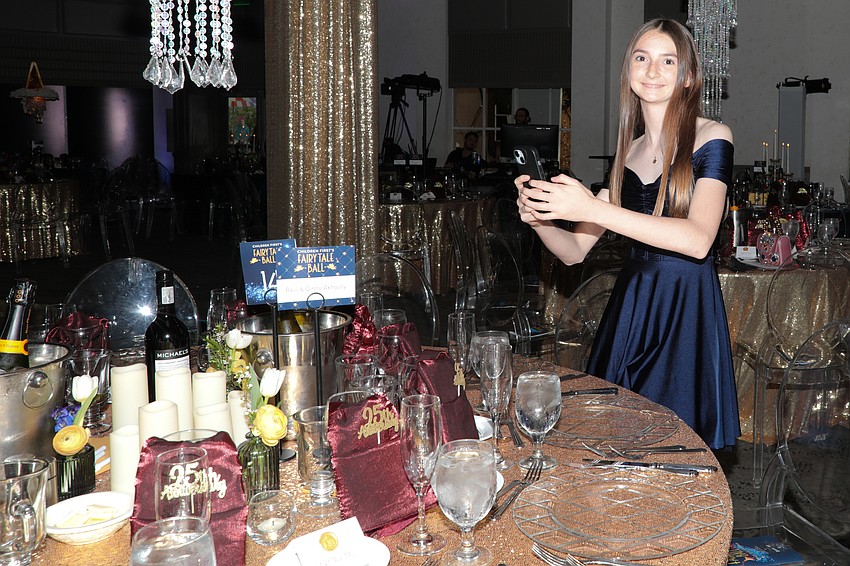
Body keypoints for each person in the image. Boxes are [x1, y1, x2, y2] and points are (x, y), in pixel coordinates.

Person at [515, 18, 739, 449]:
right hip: (633, 307)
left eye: (667, 60)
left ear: (688, 75)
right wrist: (539, 219)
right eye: (642, 58)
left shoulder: (713, 137)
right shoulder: (628, 151)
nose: (652, 71)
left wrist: (593, 207)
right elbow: (575, 251)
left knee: (674, 445)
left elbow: (698, 239)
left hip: (685, 307)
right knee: (623, 440)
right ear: (629, 71)